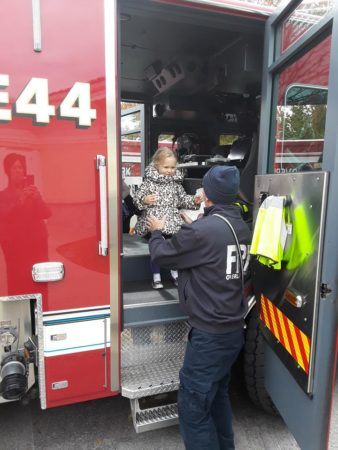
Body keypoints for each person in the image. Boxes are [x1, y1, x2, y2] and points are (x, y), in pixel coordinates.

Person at [146, 165, 251, 450]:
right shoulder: (241, 227)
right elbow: (213, 246)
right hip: (232, 331)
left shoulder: (202, 232)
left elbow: (163, 255)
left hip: (209, 338)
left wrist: (156, 232)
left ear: (208, 194)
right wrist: (194, 223)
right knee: (217, 396)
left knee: (193, 407)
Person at [133, 147, 202, 289]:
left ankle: (175, 272)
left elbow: (183, 199)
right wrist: (145, 199)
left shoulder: (175, 184)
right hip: (154, 223)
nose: (170, 170)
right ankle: (156, 276)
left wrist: (194, 201)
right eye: (166, 167)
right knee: (157, 247)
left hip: (172, 222)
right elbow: (137, 198)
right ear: (157, 165)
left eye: (172, 167)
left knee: (175, 246)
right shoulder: (149, 183)